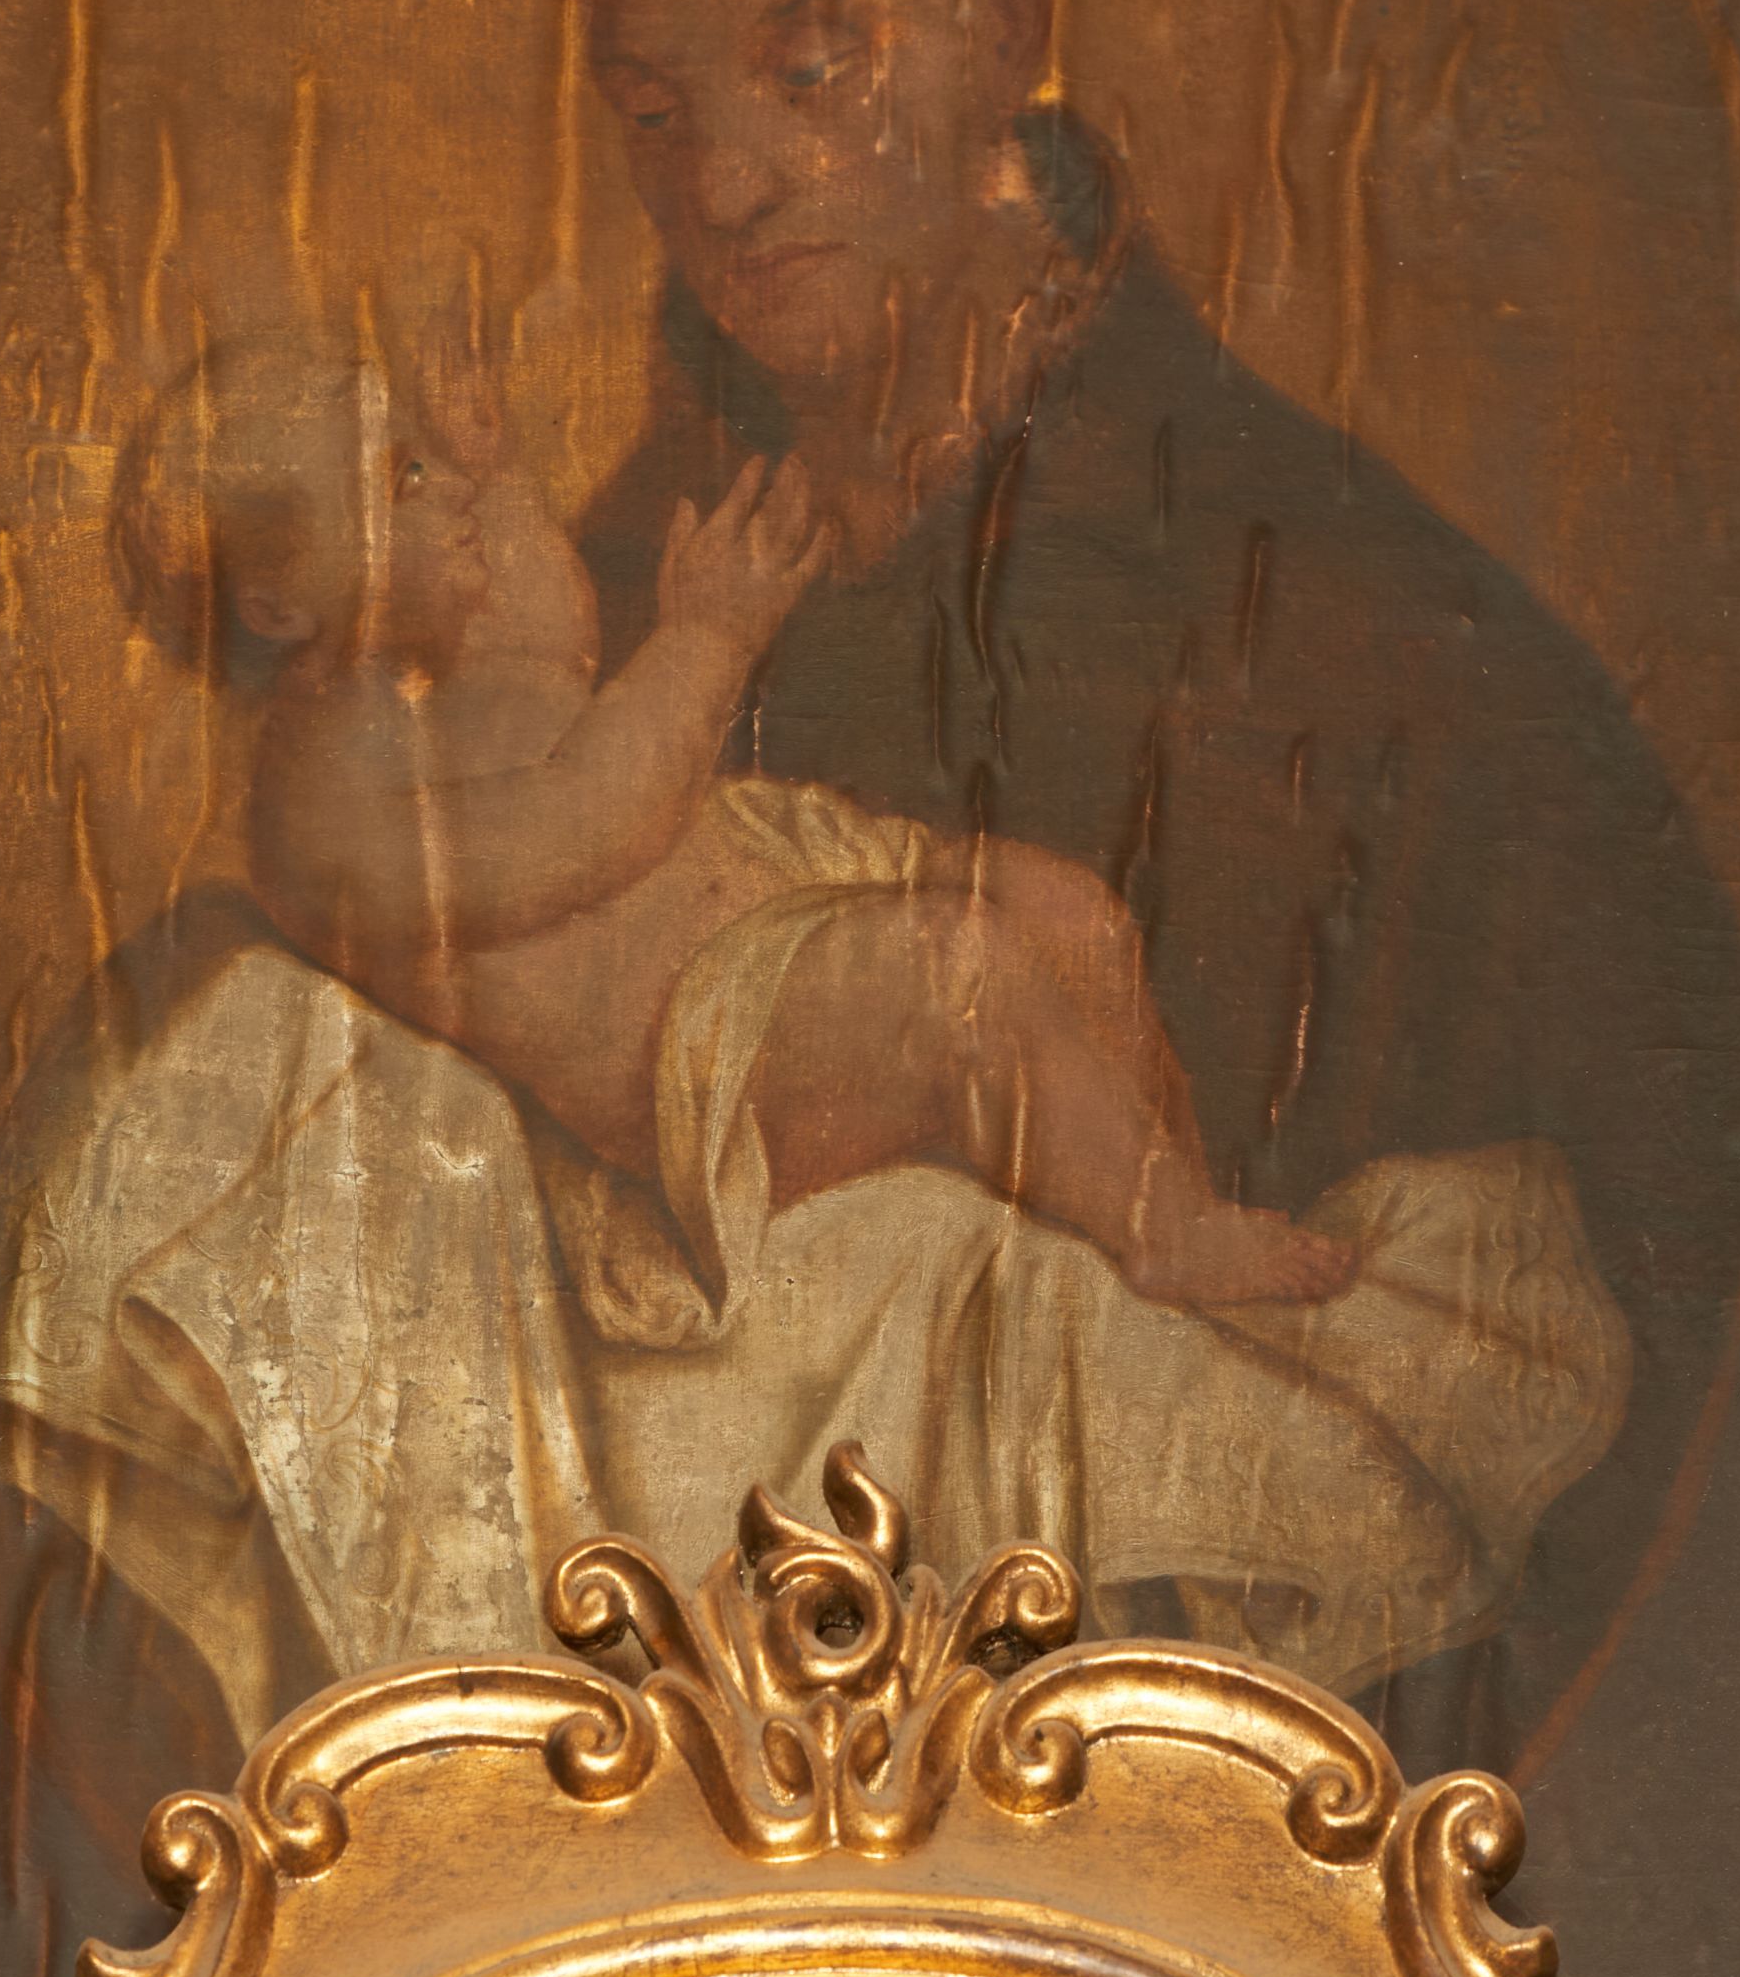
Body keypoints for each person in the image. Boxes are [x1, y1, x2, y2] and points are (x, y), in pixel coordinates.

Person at [558, 0, 1740, 1765]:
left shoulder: (1365, 647)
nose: (727, 186)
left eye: (815, 66)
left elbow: (1709, 1361)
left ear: (1010, 26)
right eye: (652, 109)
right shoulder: (598, 604)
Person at [120, 332, 1360, 1324]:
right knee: (964, 972)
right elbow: (591, 825)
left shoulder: (428, 649)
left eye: (425, 457)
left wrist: (497, 473)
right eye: (399, 479)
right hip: (709, 1066)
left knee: (1064, 909)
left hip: (778, 902)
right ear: (276, 606)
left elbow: (558, 641)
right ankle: (1162, 1236)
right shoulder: (323, 810)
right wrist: (711, 637)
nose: (442, 489)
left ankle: (1172, 1199)